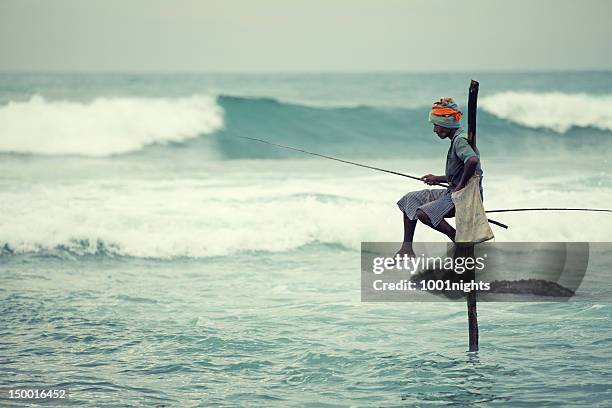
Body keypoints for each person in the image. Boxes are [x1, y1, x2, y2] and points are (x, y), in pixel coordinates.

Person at [396, 97, 482, 256]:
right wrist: (437, 178)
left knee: (424, 213)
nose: (434, 130)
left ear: (447, 124)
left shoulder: (460, 140)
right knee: (410, 199)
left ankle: (459, 240)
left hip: (463, 196)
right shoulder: (456, 139)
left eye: (436, 125)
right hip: (452, 192)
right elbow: (459, 173)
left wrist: (461, 187)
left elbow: (472, 160)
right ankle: (406, 249)